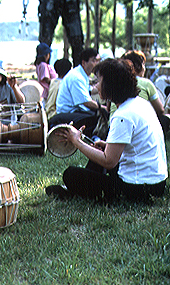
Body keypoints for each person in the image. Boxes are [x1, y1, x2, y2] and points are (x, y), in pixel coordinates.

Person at [46, 58, 167, 203]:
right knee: (96, 158)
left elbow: (109, 161)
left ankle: (75, 192)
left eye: (98, 81)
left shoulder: (123, 115)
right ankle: (75, 190)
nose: (96, 86)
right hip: (157, 184)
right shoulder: (141, 104)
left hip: (139, 189)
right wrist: (107, 145)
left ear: (110, 84)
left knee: (71, 174)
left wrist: (77, 142)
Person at [51, 48, 103, 137]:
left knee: (94, 113)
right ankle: (87, 140)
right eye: (93, 61)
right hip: (66, 113)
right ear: (84, 62)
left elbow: (90, 90)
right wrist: (101, 107)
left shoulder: (82, 75)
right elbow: (86, 102)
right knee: (94, 116)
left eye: (97, 61)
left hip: (73, 111)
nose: (96, 64)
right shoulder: (77, 77)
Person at [121, 50, 170, 135]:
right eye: (143, 64)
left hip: (114, 124)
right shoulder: (146, 83)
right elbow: (161, 110)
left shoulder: (116, 83)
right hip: (140, 128)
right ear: (138, 66)